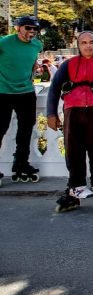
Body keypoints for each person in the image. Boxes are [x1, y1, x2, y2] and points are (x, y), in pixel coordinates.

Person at [46, 30, 93, 211]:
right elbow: (54, 88)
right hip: (73, 111)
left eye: (91, 42)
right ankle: (76, 186)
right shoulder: (68, 65)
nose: (88, 46)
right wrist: (51, 114)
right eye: (84, 43)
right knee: (73, 150)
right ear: (78, 46)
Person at [0, 14, 45, 184]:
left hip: (25, 92)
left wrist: (31, 77)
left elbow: (33, 63)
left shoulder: (37, 45)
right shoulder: (4, 42)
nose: (31, 32)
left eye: (35, 29)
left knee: (26, 130)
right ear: (18, 28)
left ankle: (21, 164)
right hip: (3, 92)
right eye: (28, 28)